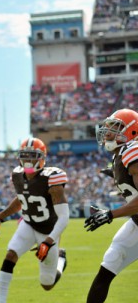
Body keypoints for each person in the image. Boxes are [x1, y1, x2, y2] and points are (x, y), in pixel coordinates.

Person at [0, 138, 69, 303]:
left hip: (48, 230)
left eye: (33, 156)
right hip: (28, 223)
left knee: (47, 283)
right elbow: (21, 200)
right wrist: (1, 217)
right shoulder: (17, 174)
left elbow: (64, 217)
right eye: (25, 156)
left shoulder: (52, 179)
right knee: (11, 255)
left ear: (42, 158)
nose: (28, 161)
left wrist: (48, 242)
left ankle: (61, 260)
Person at [84, 108, 138, 303]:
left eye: (115, 128)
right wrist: (116, 173)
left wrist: (110, 214)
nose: (108, 132)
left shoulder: (133, 151)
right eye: (108, 127)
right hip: (137, 223)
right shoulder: (120, 155)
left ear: (132, 132)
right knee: (109, 264)